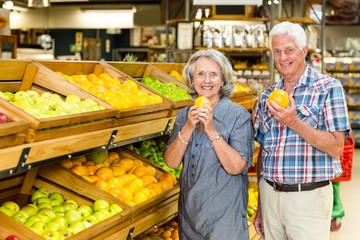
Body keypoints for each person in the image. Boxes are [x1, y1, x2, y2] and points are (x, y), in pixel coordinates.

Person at [253, 21, 351, 240]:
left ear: (304, 50)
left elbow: (336, 148)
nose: (282, 58)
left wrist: (294, 122)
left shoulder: (328, 88)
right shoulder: (267, 96)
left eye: (289, 50)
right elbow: (263, 154)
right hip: (270, 197)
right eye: (276, 51)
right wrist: (261, 204)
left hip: (308, 198)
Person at [163, 49, 254, 240]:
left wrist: (211, 129)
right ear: (192, 79)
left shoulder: (238, 116)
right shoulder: (184, 115)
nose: (206, 81)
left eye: (213, 75)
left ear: (223, 80)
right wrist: (188, 127)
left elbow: (237, 166)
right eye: (200, 74)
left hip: (224, 222)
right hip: (190, 219)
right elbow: (171, 162)